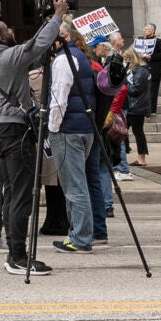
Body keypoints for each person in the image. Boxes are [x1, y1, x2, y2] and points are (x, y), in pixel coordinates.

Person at [0, 1, 69, 276]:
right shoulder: (7, 57)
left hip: (2, 129)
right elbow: (35, 46)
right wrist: (56, 17)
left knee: (13, 195)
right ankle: (18, 256)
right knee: (21, 196)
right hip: (14, 131)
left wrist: (48, 21)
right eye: (7, 29)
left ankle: (14, 253)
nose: (11, 30)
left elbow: (32, 48)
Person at [43, 20, 101, 255]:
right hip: (83, 128)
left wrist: (52, 127)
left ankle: (80, 237)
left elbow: (59, 96)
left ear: (63, 38)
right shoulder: (81, 57)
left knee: (74, 186)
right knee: (79, 184)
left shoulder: (63, 60)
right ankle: (80, 234)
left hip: (68, 130)